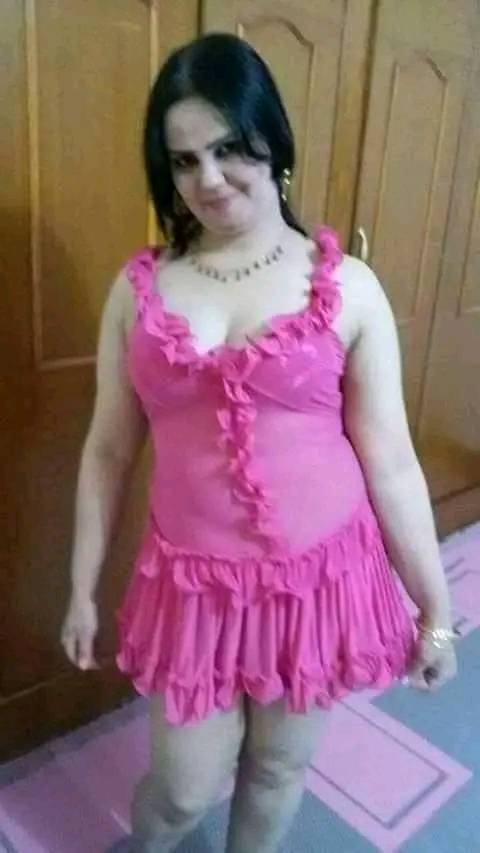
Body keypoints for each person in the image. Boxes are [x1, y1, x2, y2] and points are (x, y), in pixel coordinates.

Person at [61, 33, 458, 853]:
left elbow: (390, 460)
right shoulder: (139, 291)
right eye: (184, 161)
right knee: (180, 789)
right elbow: (107, 450)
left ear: (272, 139)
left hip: (318, 579)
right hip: (194, 587)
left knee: (277, 769)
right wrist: (81, 586)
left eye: (229, 148)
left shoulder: (349, 288)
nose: (208, 178)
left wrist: (437, 610)